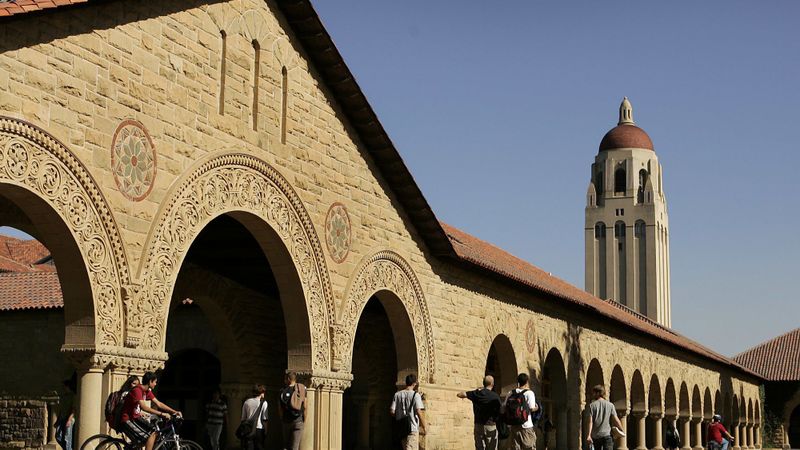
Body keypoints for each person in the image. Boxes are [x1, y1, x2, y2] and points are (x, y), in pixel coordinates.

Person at [119, 371, 182, 450]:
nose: (155, 384)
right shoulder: (137, 390)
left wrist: (174, 412)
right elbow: (144, 407)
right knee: (152, 433)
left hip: (135, 418)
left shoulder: (146, 392)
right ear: (150, 381)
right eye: (155, 382)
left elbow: (159, 404)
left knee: (152, 434)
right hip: (128, 419)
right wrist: (162, 414)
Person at [457, 375, 502, 450]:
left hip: (478, 425)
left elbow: (460, 394)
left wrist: (476, 391)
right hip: (491, 426)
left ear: (483, 383)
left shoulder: (476, 393)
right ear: (492, 384)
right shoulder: (495, 396)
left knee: (479, 447)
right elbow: (500, 410)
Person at [391, 373, 426, 450]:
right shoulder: (416, 395)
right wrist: (424, 426)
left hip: (401, 427)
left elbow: (392, 412)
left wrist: (400, 416)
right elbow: (419, 412)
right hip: (412, 428)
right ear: (414, 383)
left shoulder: (397, 394)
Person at [503, 373, 539, 450]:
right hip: (526, 425)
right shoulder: (529, 393)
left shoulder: (511, 392)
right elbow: (532, 408)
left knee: (515, 447)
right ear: (527, 382)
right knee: (529, 447)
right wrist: (537, 407)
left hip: (514, 425)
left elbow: (504, 406)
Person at [585, 385, 624, 450]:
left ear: (598, 393)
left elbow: (590, 421)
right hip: (607, 435)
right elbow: (616, 419)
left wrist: (589, 435)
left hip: (596, 436)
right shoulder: (610, 405)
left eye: (594, 393)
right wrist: (622, 430)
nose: (593, 395)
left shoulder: (592, 406)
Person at [279, 372, 307, 450]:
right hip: (298, 420)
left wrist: (282, 419)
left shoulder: (282, 391)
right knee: (295, 447)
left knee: (286, 446)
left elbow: (280, 409)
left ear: (288, 379)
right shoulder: (302, 389)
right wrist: (304, 419)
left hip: (286, 420)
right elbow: (305, 406)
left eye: (285, 379)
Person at [241, 384, 268, 450]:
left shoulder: (247, 402)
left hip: (248, 429)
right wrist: (266, 431)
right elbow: (265, 419)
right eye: (263, 392)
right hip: (259, 429)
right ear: (261, 393)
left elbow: (243, 418)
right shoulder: (264, 403)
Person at [55, 376, 77, 450]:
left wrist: (69, 420)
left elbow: (74, 409)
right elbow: (62, 409)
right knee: (58, 436)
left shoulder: (73, 396)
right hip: (62, 418)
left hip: (69, 419)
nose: (63, 388)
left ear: (68, 387)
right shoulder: (64, 396)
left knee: (67, 438)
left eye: (64, 386)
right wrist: (58, 420)